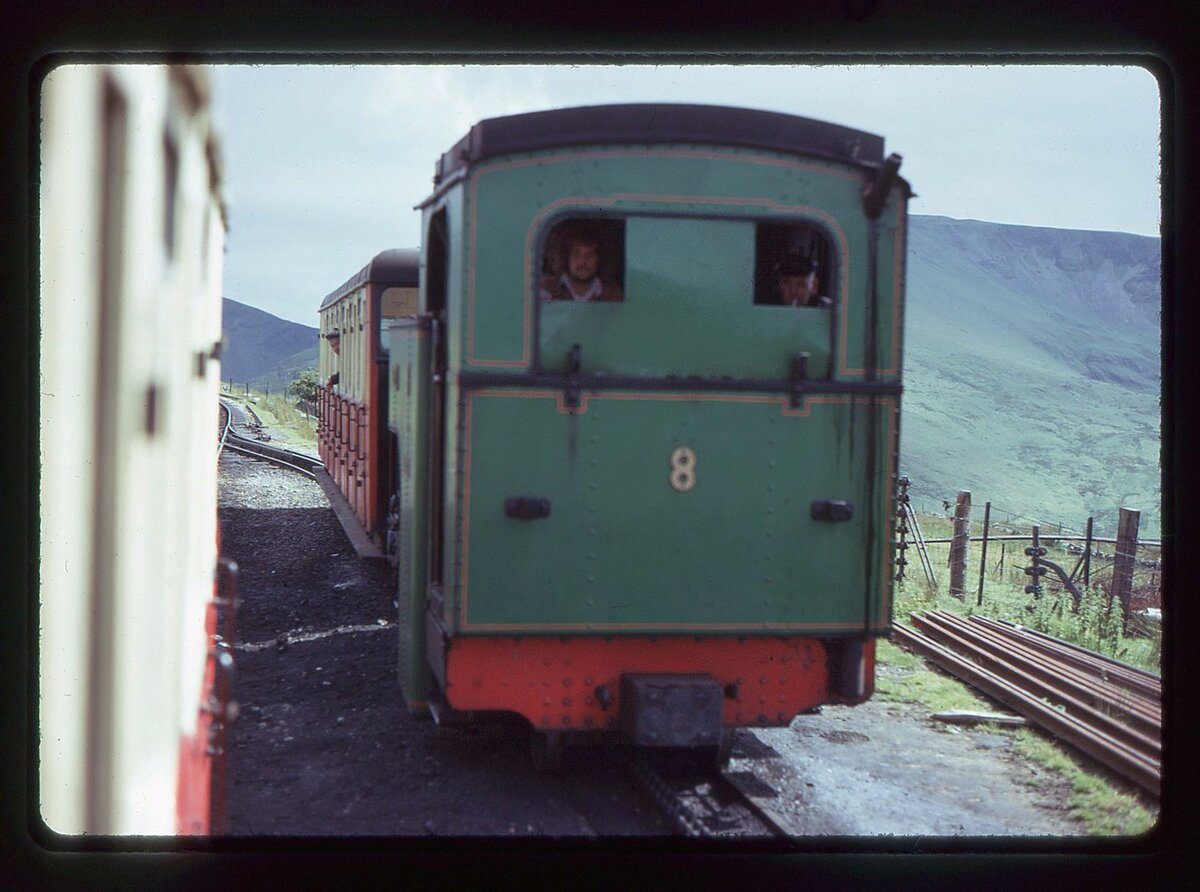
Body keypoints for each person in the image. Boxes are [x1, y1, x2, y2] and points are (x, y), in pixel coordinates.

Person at [538, 224, 623, 302]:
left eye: (590, 255)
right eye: (576, 254)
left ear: (599, 259)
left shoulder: (612, 295)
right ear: (566, 258)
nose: (583, 261)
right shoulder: (546, 289)